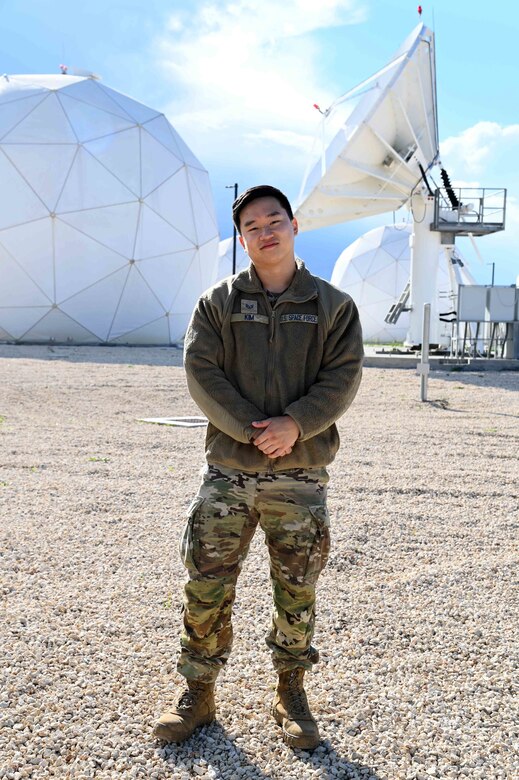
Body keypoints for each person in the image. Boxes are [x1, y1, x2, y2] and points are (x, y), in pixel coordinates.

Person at [153, 185, 363, 750]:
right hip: (229, 472)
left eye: (274, 220)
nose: (265, 231)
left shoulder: (332, 306)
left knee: (296, 588)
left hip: (300, 477)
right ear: (242, 239)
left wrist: (295, 424)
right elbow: (202, 372)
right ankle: (198, 693)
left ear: (294, 226)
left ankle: (291, 691)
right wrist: (253, 428)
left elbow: (342, 378)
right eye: (252, 225)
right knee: (206, 583)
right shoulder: (218, 303)